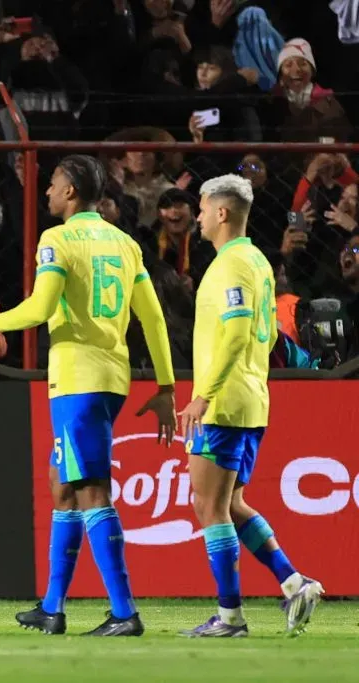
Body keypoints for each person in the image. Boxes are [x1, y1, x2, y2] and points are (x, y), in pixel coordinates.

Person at [0, 155, 177, 636]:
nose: (47, 193)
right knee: (63, 487)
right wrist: (163, 385)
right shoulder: (125, 244)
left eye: (54, 185)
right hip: (110, 377)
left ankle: (125, 613)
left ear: (72, 192)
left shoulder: (56, 240)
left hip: (77, 379)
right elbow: (154, 319)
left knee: (92, 492)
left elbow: (40, 307)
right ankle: (52, 608)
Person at [177, 175, 322, 637]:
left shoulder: (231, 266)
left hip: (224, 402)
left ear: (222, 212)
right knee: (231, 502)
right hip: (250, 401)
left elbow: (238, 333)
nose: (197, 216)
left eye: (202, 208)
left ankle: (230, 616)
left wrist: (204, 393)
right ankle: (294, 582)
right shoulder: (256, 260)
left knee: (209, 506)